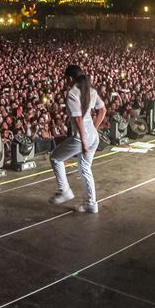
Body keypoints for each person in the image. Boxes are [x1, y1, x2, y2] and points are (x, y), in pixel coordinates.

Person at [49, 65, 107, 213]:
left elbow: (78, 119)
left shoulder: (72, 93)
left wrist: (83, 141)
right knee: (85, 169)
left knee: (55, 158)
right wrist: (94, 127)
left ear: (69, 78)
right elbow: (103, 110)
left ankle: (64, 190)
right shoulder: (91, 90)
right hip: (93, 135)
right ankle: (91, 203)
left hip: (82, 137)